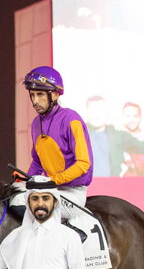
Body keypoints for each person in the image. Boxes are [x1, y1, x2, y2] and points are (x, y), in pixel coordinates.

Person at [18, 67, 93, 218]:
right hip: (49, 190)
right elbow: (38, 162)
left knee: (37, 212)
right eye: (32, 95)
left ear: (55, 94)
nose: (35, 101)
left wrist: (51, 180)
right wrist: (26, 178)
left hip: (73, 193)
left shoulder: (71, 119)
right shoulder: (35, 124)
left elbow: (84, 164)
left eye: (40, 94)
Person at [84, 96, 144, 177]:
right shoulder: (77, 136)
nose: (131, 120)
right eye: (128, 116)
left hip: (128, 188)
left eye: (135, 116)